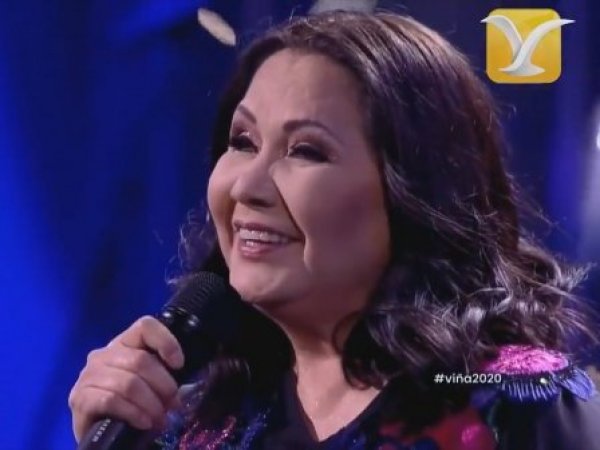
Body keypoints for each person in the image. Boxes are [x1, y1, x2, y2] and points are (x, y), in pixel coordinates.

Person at [68, 10, 600, 450]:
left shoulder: (519, 404)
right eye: (243, 142)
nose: (247, 186)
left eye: (306, 151)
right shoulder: (200, 429)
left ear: (414, 193)